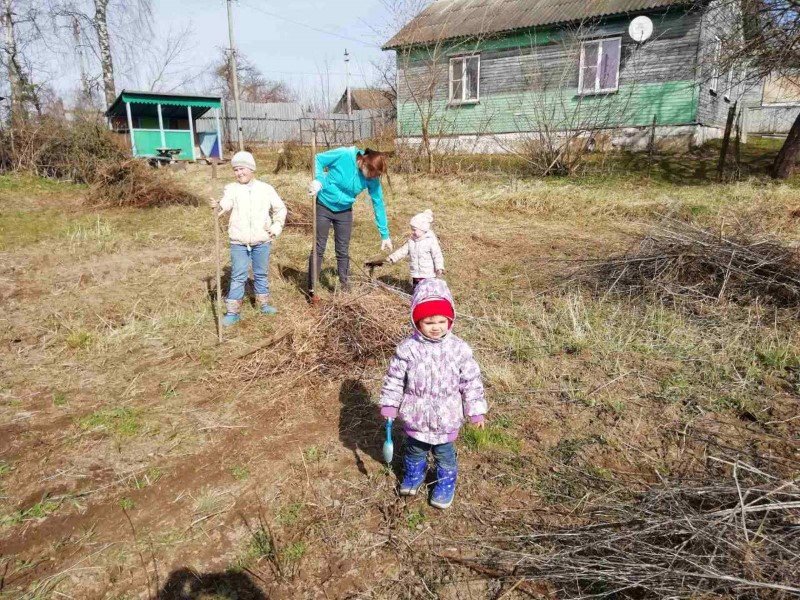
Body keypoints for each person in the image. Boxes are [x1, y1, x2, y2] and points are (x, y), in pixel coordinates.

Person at [379, 279, 487, 509]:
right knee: (415, 448)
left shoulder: (458, 349)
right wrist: (390, 405)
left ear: (450, 320)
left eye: (441, 321)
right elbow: (395, 379)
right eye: (429, 322)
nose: (436, 327)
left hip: (446, 416)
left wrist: (476, 411)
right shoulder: (407, 349)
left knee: (443, 452)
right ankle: (414, 475)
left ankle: (445, 482)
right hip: (416, 414)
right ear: (417, 321)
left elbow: (471, 381)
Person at [210, 151, 287, 326]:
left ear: (251, 169)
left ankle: (263, 304)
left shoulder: (266, 189)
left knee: (261, 273)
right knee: (238, 275)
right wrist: (218, 205)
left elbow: (280, 209)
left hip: (262, 239)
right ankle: (233, 311)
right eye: (236, 169)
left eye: (242, 168)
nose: (239, 173)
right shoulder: (232, 189)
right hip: (239, 240)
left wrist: (275, 228)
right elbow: (226, 203)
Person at [307, 147, 393, 292]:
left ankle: (345, 286)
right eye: (371, 174)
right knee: (319, 247)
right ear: (364, 162)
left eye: (375, 176)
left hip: (344, 212)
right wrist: (319, 180)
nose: (371, 178)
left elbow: (378, 203)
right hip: (323, 205)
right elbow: (318, 159)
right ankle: (312, 288)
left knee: (342, 250)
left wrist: (384, 234)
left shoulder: (372, 178)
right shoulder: (345, 154)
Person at [386, 209, 444, 289]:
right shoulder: (411, 241)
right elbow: (403, 251)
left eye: (414, 230)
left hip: (428, 275)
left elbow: (437, 255)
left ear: (423, 229)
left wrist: (439, 267)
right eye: (412, 229)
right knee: (417, 291)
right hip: (416, 274)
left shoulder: (430, 241)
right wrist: (392, 257)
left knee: (427, 291)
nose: (412, 232)